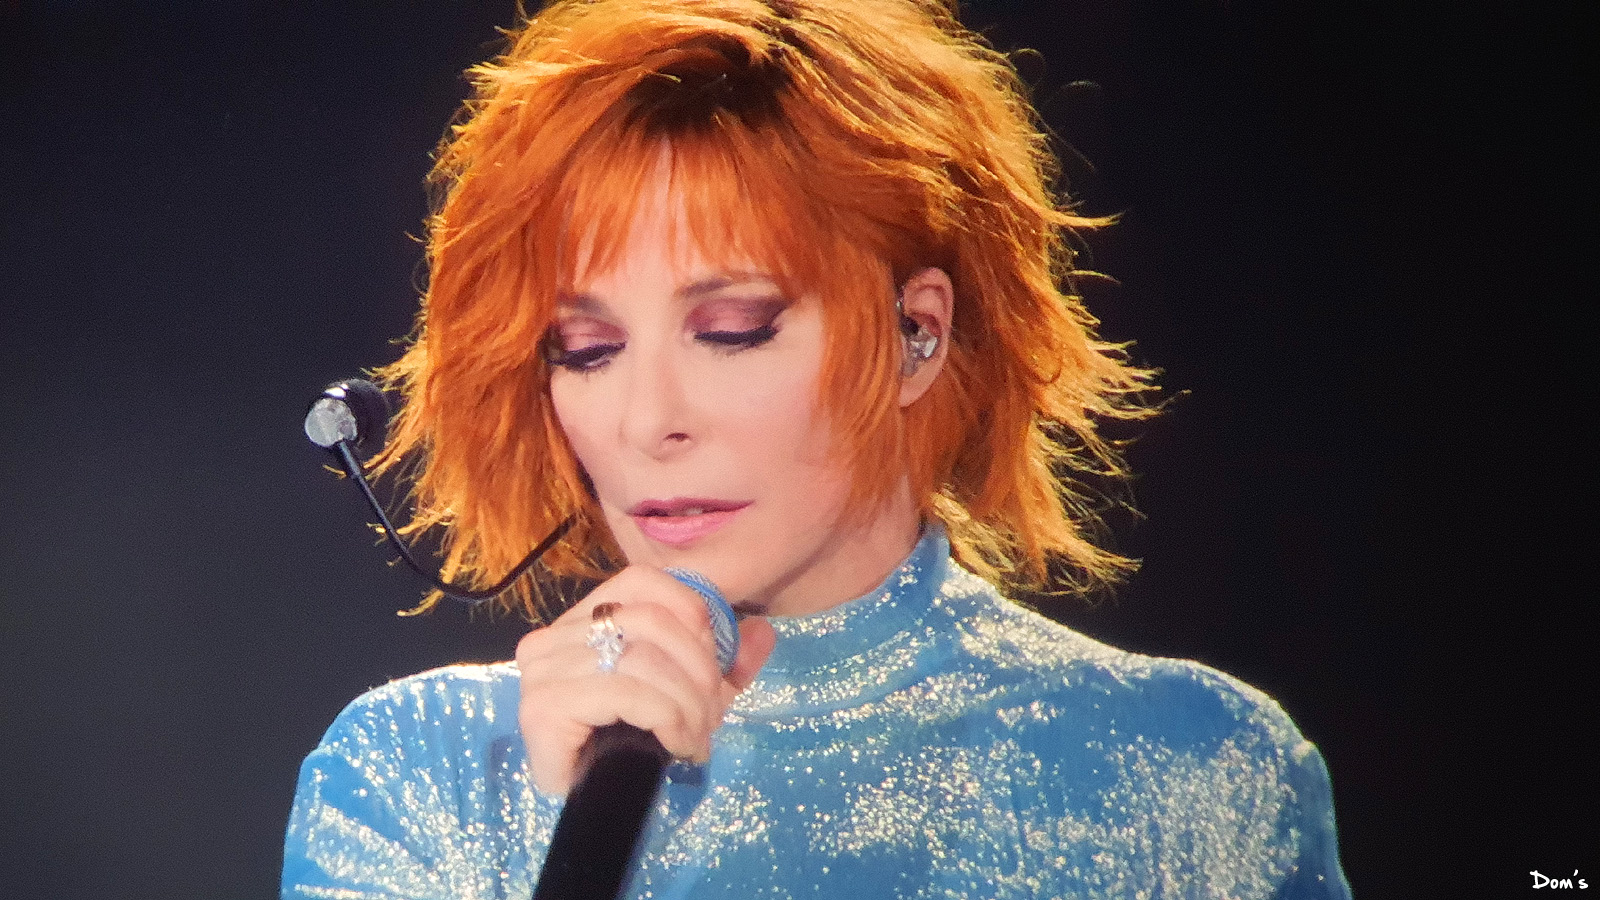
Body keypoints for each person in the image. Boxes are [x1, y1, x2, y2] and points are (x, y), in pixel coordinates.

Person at [283, 0, 1351, 897]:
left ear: (916, 333)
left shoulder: (1197, 773)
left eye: (732, 329)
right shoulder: (415, 771)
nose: (649, 421)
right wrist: (558, 845)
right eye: (589, 349)